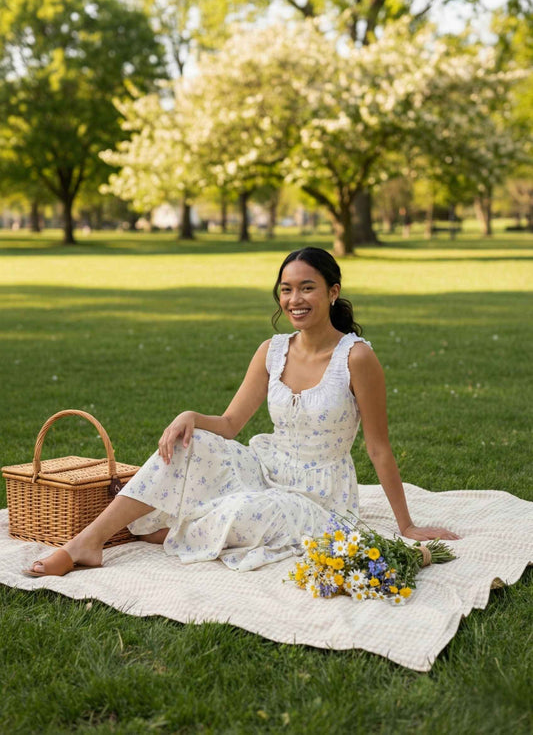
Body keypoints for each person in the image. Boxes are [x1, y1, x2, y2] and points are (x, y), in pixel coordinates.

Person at [24, 247, 459, 577]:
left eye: (307, 287)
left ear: (332, 292)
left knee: (247, 509)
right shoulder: (271, 351)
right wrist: (191, 416)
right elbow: (230, 425)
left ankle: (164, 531)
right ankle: (88, 542)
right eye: (286, 290)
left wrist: (407, 525)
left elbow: (378, 447)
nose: (295, 299)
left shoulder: (357, 358)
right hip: (264, 463)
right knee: (191, 447)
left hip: (319, 495)